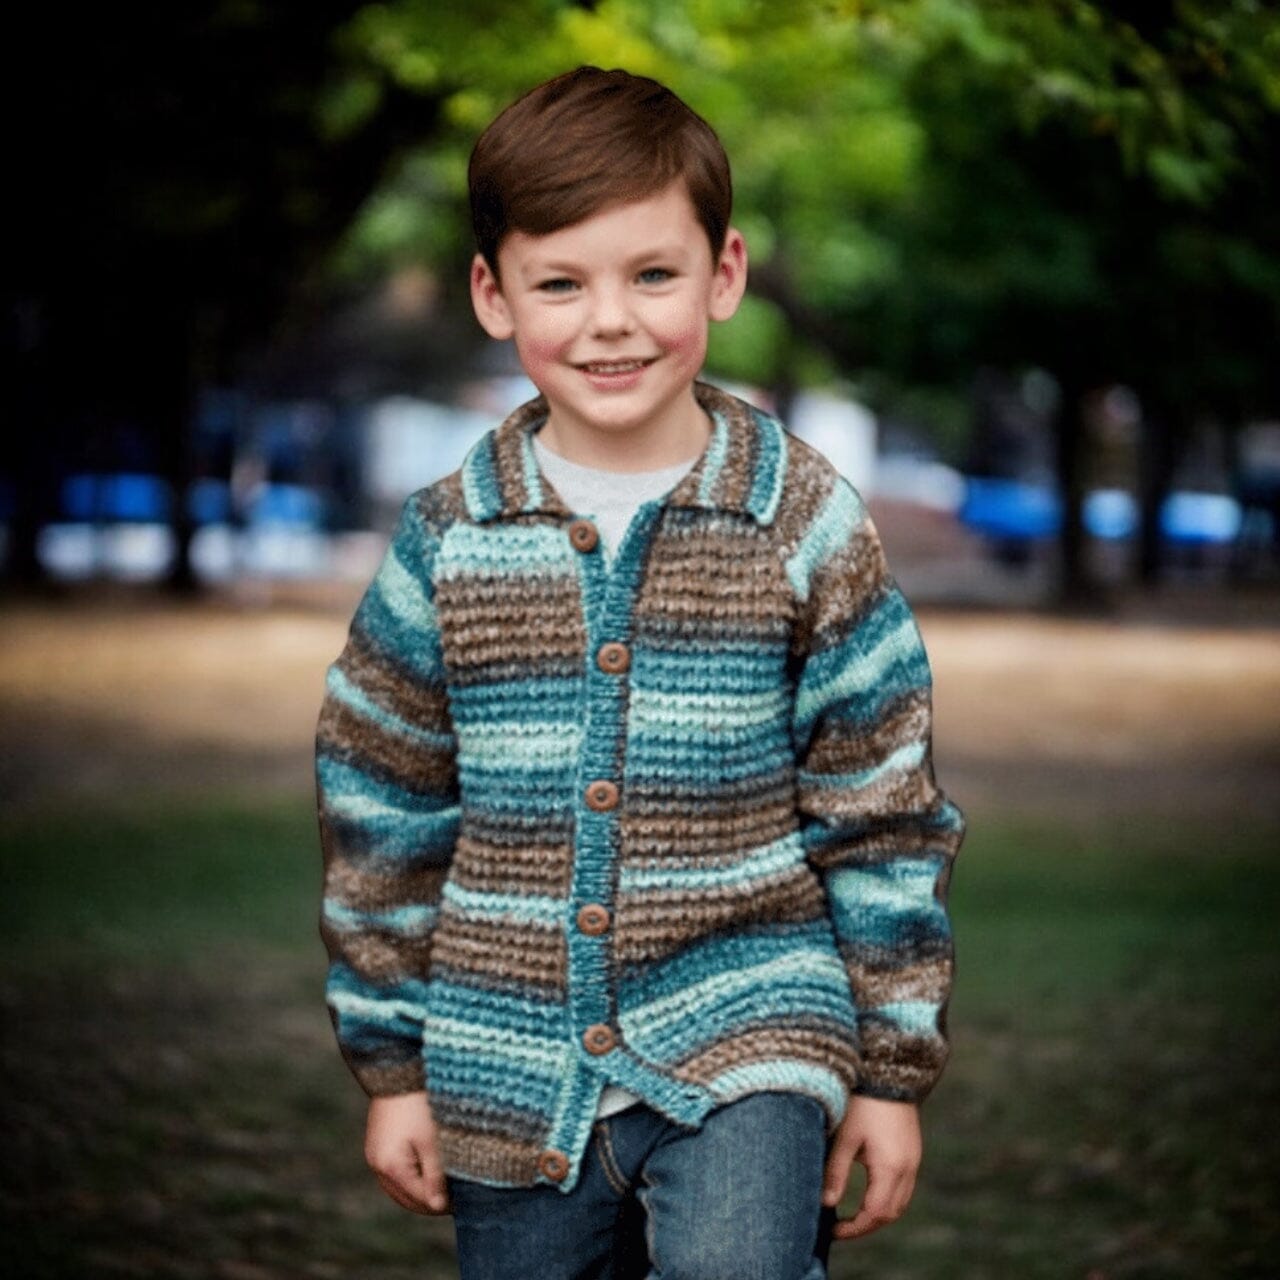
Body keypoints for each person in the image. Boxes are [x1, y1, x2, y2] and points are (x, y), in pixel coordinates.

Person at [316, 65, 966, 1280]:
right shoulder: (449, 537)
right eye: (558, 282)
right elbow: (381, 799)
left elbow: (881, 808)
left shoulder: (802, 520)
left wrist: (889, 1071)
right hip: (506, 1060)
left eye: (651, 274)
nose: (608, 320)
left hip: (752, 1025)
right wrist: (392, 1064)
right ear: (491, 294)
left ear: (723, 272)